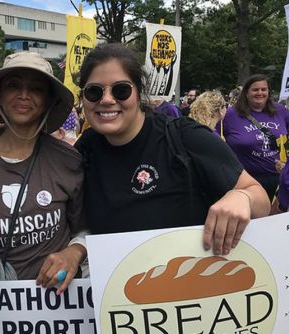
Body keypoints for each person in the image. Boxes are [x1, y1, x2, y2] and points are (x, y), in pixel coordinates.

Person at [74, 43, 270, 257]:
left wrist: (242, 197)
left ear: (139, 93)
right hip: (121, 285)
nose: (107, 100)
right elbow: (80, 223)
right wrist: (76, 249)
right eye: (94, 92)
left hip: (190, 281)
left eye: (121, 90)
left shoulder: (186, 137)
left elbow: (261, 200)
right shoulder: (85, 149)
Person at [0, 51, 88, 295]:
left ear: (48, 100)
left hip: (54, 302)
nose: (24, 95)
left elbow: (83, 229)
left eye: (36, 89)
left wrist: (73, 253)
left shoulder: (69, 159)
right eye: (13, 86)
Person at [222, 74, 289, 200]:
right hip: (245, 182)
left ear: (269, 92)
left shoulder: (280, 111)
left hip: (278, 180)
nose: (260, 93)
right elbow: (215, 139)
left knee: (276, 218)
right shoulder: (230, 114)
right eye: (255, 90)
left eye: (264, 89)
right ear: (246, 93)